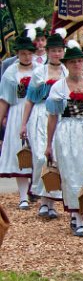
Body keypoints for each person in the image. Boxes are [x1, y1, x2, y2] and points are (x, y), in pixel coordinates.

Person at [45, 42, 83, 237]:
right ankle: (76, 216)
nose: (77, 65)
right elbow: (53, 116)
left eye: (79, 61)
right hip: (68, 130)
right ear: (67, 64)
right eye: (73, 62)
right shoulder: (58, 87)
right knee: (71, 172)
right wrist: (48, 144)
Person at [21, 29, 68, 218]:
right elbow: (29, 99)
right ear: (47, 52)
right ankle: (42, 198)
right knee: (41, 156)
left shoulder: (66, 71)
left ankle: (51, 201)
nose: (57, 54)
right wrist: (23, 124)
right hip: (41, 113)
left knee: (57, 156)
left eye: (59, 50)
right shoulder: (39, 72)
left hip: (61, 115)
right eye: (53, 50)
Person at [0, 33, 39, 210]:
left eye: (29, 53)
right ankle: (23, 195)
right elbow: (4, 98)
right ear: (18, 54)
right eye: (23, 53)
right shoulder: (10, 72)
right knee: (21, 153)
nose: (27, 56)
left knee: (38, 152)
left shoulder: (40, 69)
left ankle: (38, 189)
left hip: (37, 112)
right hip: (18, 111)